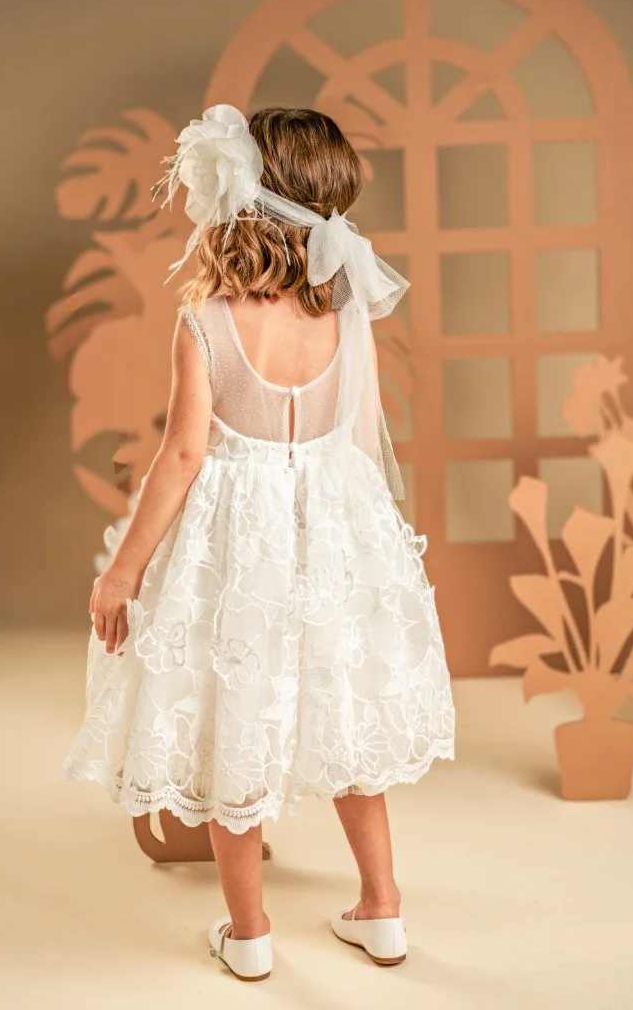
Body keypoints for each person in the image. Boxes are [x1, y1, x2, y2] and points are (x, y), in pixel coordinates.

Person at [63, 105, 455, 982]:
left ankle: (247, 935)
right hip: (333, 535)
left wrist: (123, 573)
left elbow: (183, 456)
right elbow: (357, 443)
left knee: (231, 720)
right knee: (341, 719)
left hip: (237, 548)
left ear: (241, 197)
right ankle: (382, 909)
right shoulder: (344, 313)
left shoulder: (206, 320)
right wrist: (364, 556)